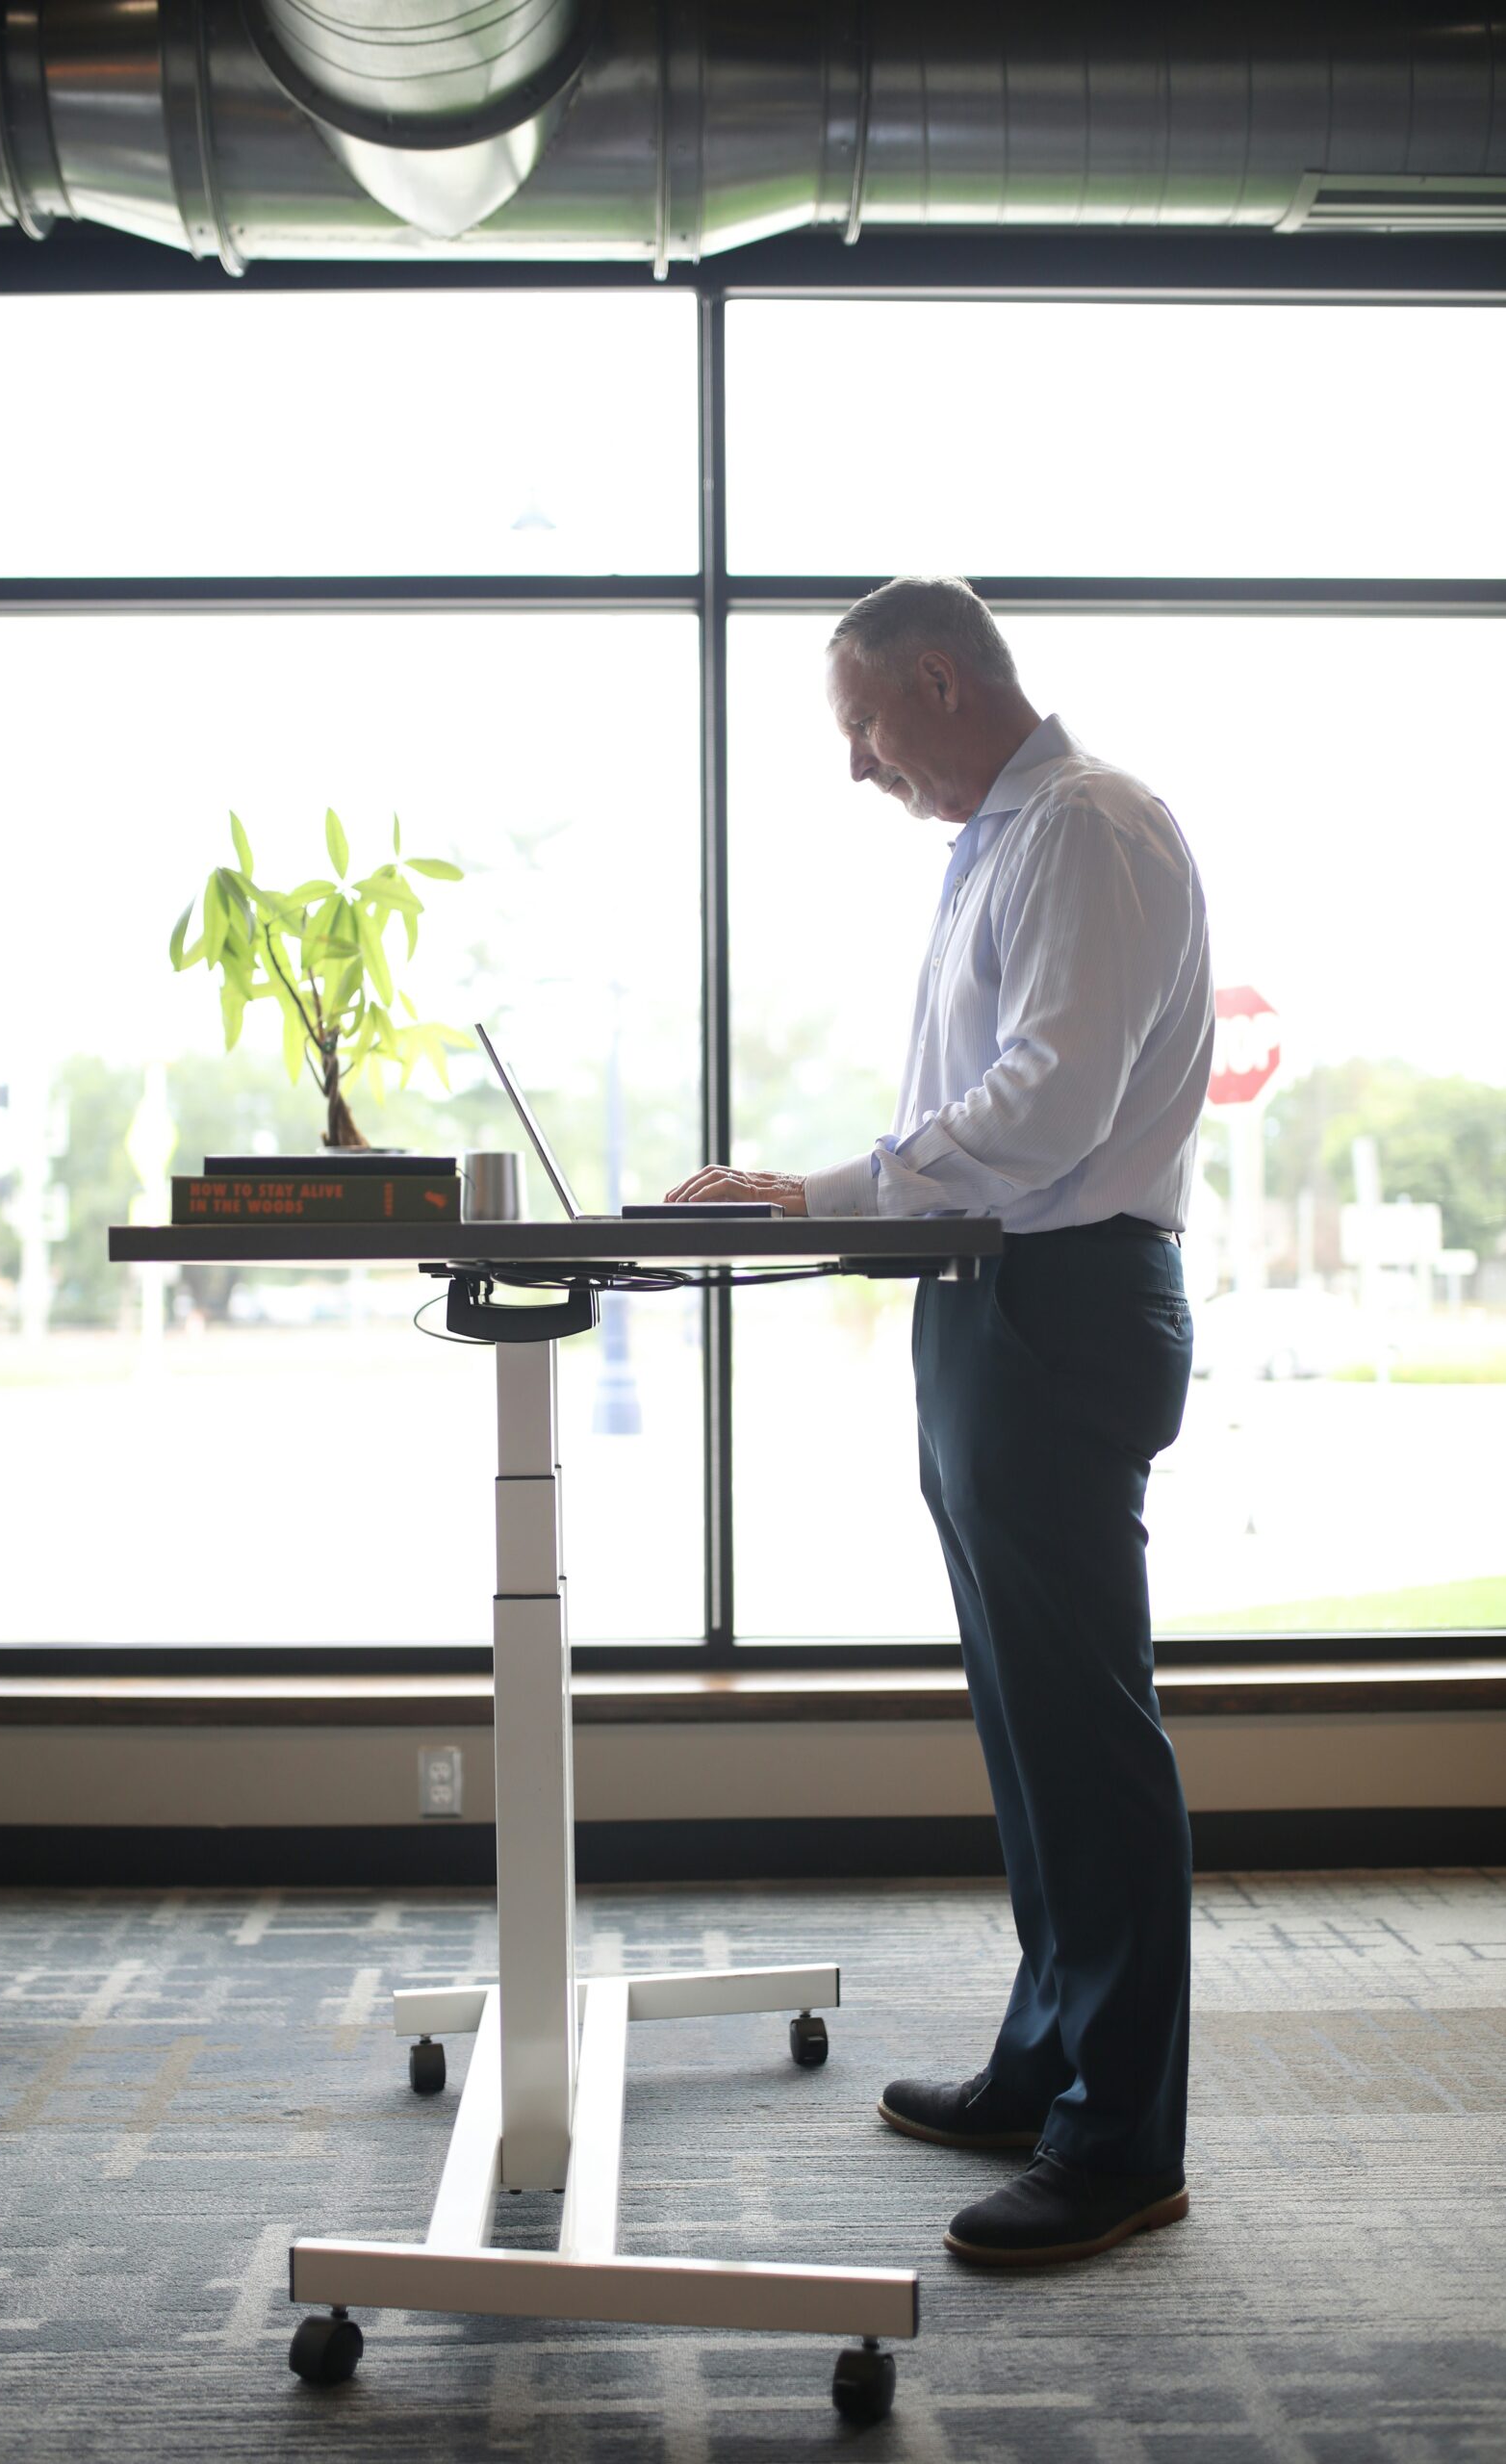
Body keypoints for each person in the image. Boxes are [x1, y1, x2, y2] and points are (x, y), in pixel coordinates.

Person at [667, 574, 1214, 2267]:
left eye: (861, 728)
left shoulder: (1089, 828)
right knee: (1023, 1719)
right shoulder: (1004, 845)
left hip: (1059, 1305)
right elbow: (997, 1113)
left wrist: (812, 1193)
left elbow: (1045, 1106)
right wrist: (839, 1206)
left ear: (936, 678)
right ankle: (1049, 2060)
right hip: (990, 1302)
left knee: (1084, 1729)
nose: (857, 769)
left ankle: (1120, 2144)